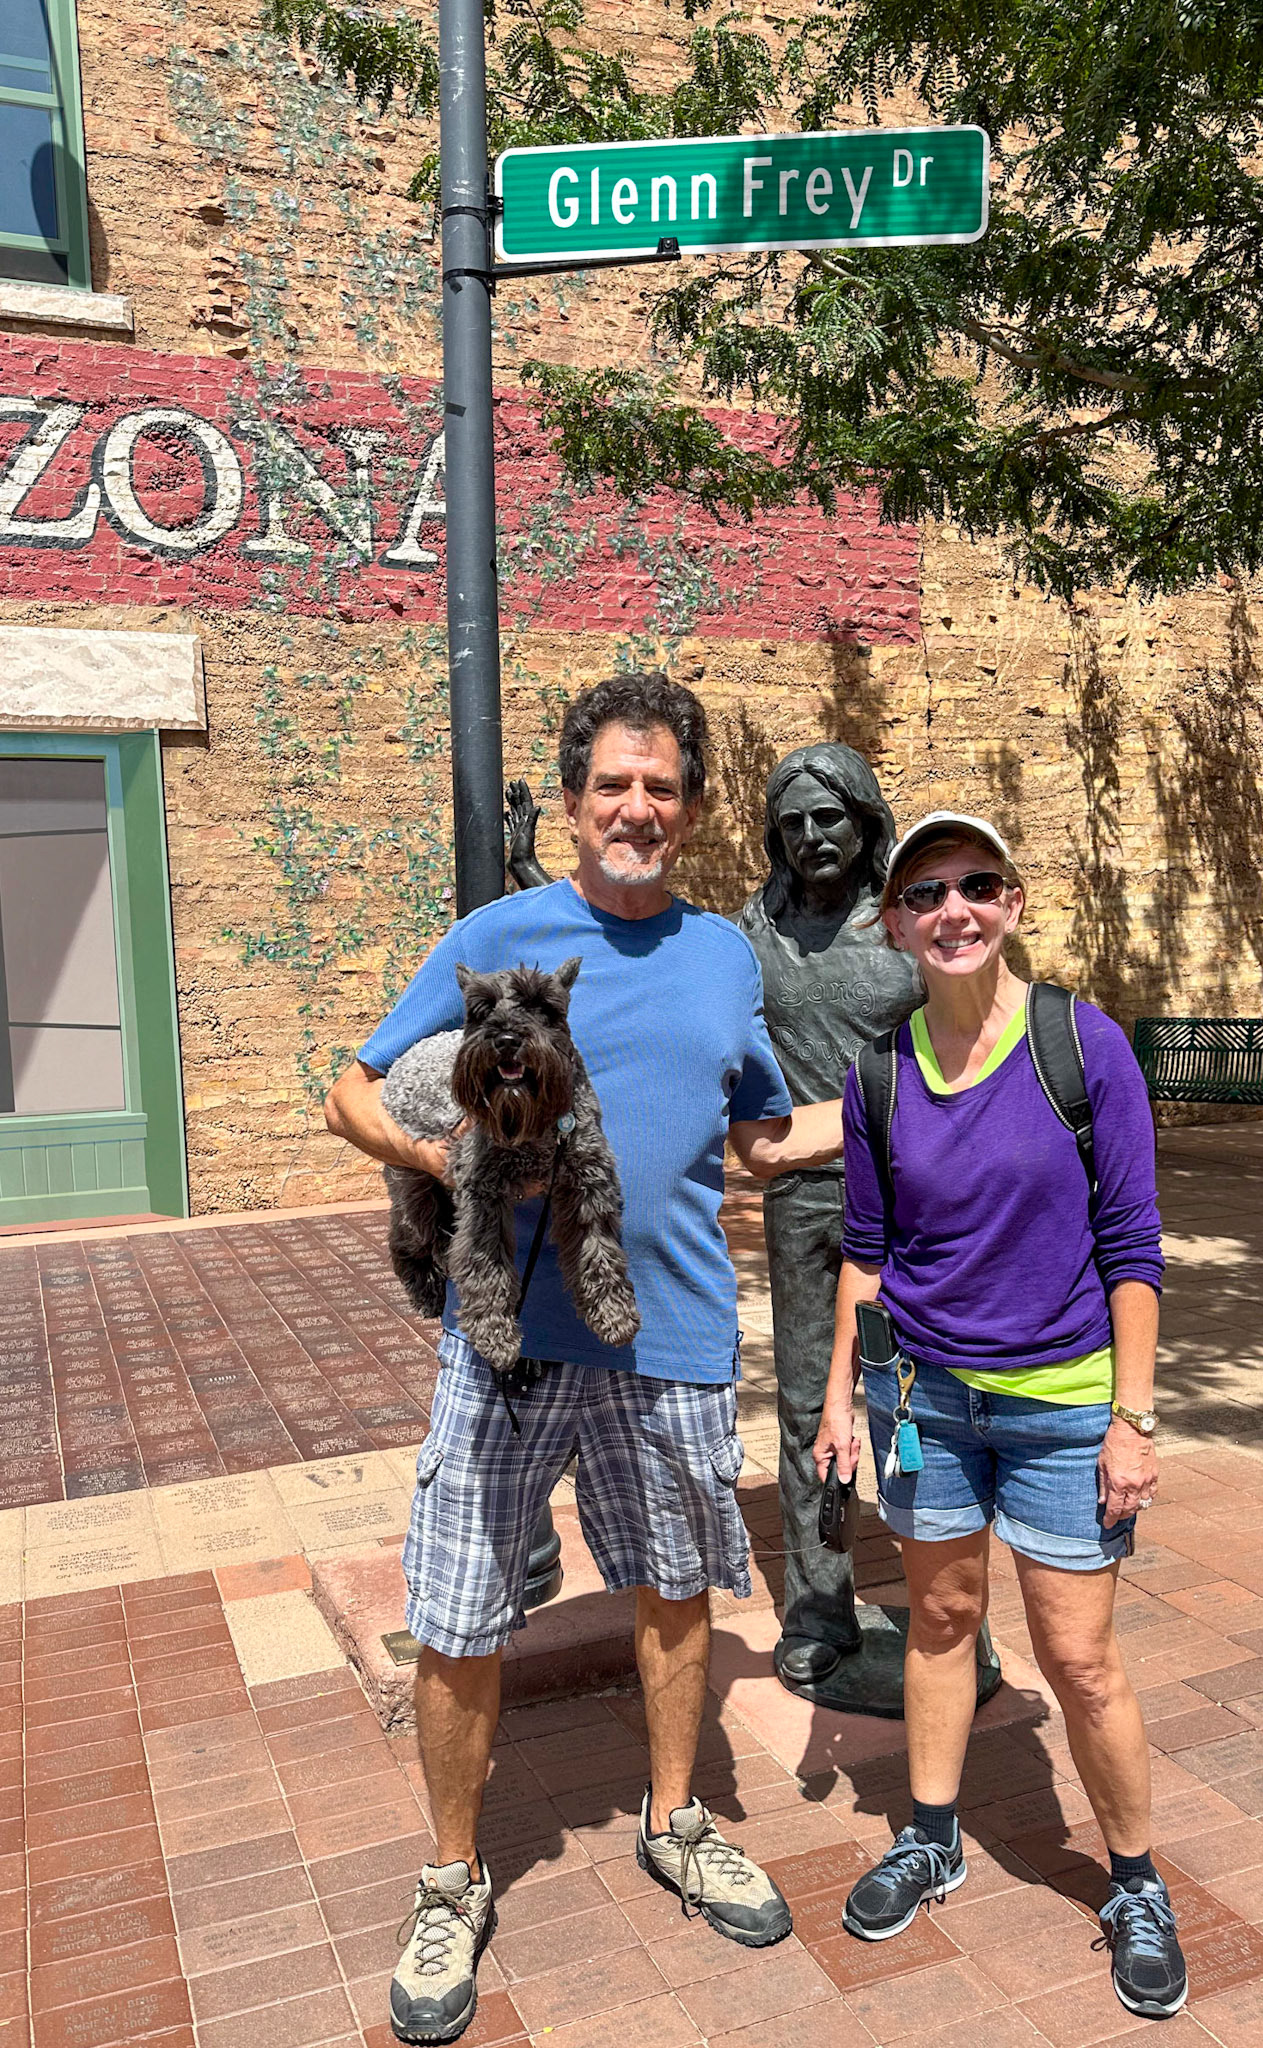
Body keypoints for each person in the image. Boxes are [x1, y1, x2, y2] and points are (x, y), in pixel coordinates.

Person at [325, 672, 843, 2047]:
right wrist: (446, 1157)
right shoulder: (499, 934)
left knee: (677, 1591)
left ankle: (678, 1821)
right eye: (613, 783)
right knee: (456, 1607)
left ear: (691, 807)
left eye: (663, 786)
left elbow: (762, 1137)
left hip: (672, 1336)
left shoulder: (725, 956)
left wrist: (925, 1114)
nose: (637, 807)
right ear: (571, 802)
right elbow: (351, 1087)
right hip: (508, 1347)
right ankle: (450, 1877)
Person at [815, 809, 1188, 2021]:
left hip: (1066, 1406)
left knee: (1078, 1656)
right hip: (922, 1393)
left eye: (977, 884)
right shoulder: (880, 1070)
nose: (953, 909)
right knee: (939, 1616)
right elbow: (866, 1254)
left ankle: (1134, 1879)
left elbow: (1133, 1242)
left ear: (1014, 902)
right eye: (925, 894)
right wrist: (842, 1396)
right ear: (894, 926)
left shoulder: (1081, 1044)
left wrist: (1134, 1415)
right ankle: (933, 1832)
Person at [737, 744, 920, 1688]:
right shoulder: (752, 933)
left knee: (932, 1398)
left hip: (924, 1202)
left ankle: (942, 1594)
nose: (813, 837)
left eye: (830, 818)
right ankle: (818, 1604)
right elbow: (660, 966)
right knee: (813, 1405)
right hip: (808, 1207)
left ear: (863, 820)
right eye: (794, 821)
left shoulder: (911, 924)